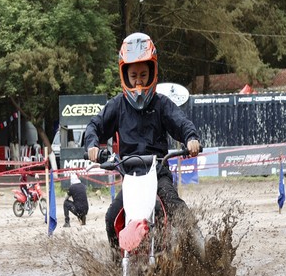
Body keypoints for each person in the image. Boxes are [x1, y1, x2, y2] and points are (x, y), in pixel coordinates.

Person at [85, 32, 208, 259]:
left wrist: (191, 138)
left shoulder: (162, 104)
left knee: (177, 207)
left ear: (153, 72)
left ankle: (203, 252)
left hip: (158, 173)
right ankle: (116, 262)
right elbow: (95, 126)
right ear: (125, 75)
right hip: (130, 177)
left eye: (143, 74)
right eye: (133, 75)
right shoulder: (117, 105)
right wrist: (92, 145)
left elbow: (181, 123)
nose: (138, 81)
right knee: (111, 217)